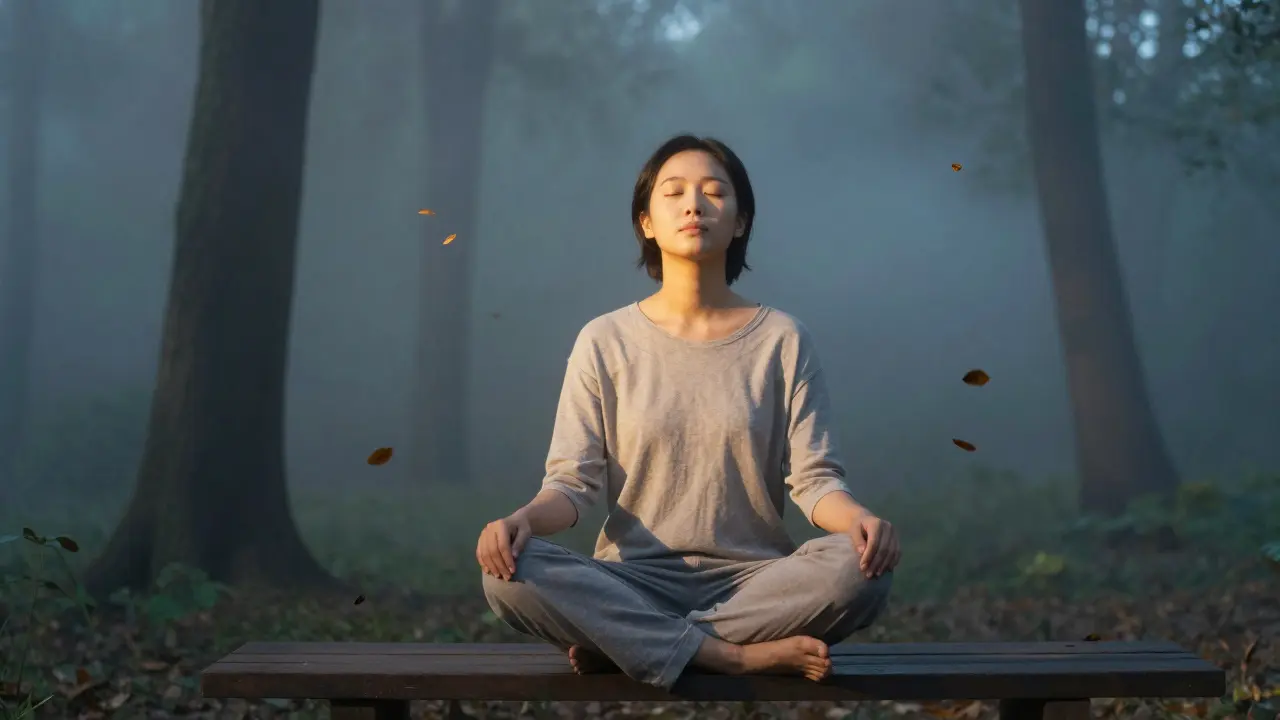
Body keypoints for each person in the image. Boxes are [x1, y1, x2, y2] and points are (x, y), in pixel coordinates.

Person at [476, 134, 901, 691]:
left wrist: (859, 523)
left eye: (713, 192)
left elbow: (816, 481)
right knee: (509, 574)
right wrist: (521, 521)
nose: (694, 205)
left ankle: (633, 644)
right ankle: (731, 656)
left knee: (859, 570)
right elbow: (572, 484)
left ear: (741, 221)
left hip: (757, 584)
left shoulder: (782, 339)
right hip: (631, 582)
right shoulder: (604, 340)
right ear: (647, 222)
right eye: (673, 192)